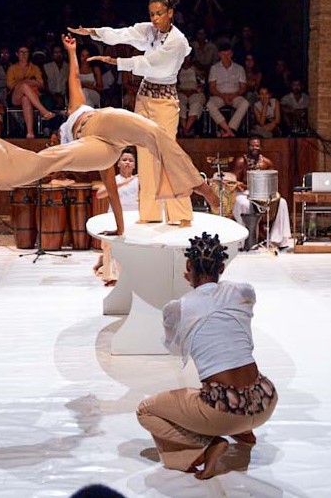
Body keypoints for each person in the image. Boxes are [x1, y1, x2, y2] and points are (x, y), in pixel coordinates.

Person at [0, 34, 220, 237]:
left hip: (100, 122)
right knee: (47, 159)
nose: (55, 136)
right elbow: (112, 192)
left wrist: (72, 51)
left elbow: (75, 79)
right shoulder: (78, 149)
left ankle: (200, 185)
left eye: (55, 135)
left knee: (155, 132)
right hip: (95, 145)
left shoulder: (73, 111)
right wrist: (120, 228)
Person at [137, 232, 277, 479]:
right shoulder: (243, 292)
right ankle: (244, 429)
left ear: (188, 267)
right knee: (228, 375)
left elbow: (176, 350)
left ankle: (205, 446)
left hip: (223, 409)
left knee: (146, 410)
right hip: (265, 399)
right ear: (222, 267)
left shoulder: (177, 308)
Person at [71, 0, 194, 226]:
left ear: (170, 13)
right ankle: (148, 213)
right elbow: (124, 33)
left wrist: (115, 61)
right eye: (152, 14)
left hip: (166, 101)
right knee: (145, 154)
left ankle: (180, 213)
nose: (155, 19)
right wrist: (94, 32)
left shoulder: (177, 41)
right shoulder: (150, 31)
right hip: (144, 96)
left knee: (167, 153)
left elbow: (152, 63)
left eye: (159, 14)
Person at [229, 137, 292, 250]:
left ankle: (278, 240)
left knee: (282, 202)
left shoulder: (267, 163)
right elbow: (233, 181)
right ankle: (245, 240)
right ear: (248, 147)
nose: (255, 148)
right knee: (244, 204)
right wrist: (242, 185)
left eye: (257, 145)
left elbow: (272, 180)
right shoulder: (241, 162)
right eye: (252, 145)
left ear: (260, 147)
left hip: (264, 192)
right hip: (245, 193)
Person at [93, 149, 139, 286]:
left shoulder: (139, 180)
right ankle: (112, 275)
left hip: (133, 218)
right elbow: (99, 194)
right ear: (118, 163)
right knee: (112, 246)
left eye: (131, 161)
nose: (127, 163)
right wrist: (123, 183)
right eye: (124, 160)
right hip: (114, 217)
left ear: (134, 165)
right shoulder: (113, 180)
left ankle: (128, 274)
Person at [6, 45, 56, 138]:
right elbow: (10, 85)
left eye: (26, 52)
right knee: (24, 86)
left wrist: (26, 82)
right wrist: (27, 82)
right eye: (21, 52)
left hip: (32, 96)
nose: (24, 55)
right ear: (17, 54)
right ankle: (43, 111)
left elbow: (41, 84)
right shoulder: (12, 68)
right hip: (16, 96)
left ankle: (30, 132)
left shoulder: (35, 68)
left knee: (26, 98)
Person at [206, 41, 249, 138]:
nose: (226, 56)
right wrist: (223, 96)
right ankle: (227, 129)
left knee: (245, 103)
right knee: (210, 104)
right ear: (219, 54)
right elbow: (212, 88)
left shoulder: (239, 68)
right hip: (219, 95)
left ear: (232, 54)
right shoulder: (214, 68)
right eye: (223, 54)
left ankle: (231, 128)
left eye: (228, 54)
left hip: (235, 95)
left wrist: (233, 95)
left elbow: (243, 87)